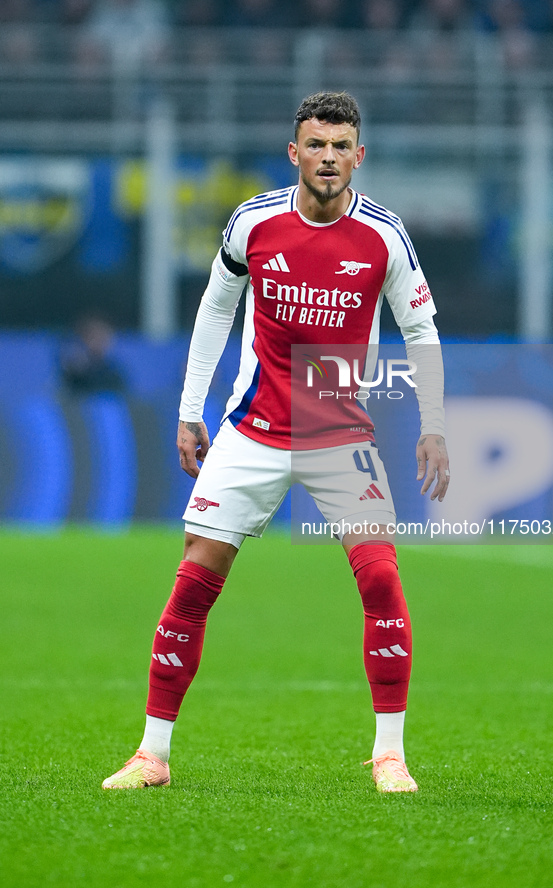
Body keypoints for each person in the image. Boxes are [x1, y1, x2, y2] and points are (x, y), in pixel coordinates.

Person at [102, 91, 450, 794]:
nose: (328, 158)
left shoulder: (384, 234)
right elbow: (215, 307)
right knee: (195, 581)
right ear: (294, 153)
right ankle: (152, 755)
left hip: (341, 435)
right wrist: (189, 407)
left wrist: (434, 424)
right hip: (251, 432)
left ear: (359, 154)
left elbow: (419, 332)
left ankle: (389, 755)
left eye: (340, 145)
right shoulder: (253, 221)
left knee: (380, 576)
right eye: (315, 145)